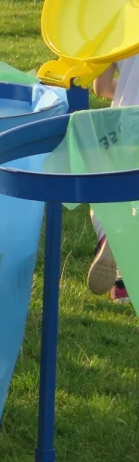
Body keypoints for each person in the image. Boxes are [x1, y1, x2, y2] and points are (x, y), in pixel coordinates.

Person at [87, 55, 138, 307]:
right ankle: (126, 283)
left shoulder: (117, 21)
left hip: (121, 125)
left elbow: (102, 87)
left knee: (106, 193)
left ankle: (109, 236)